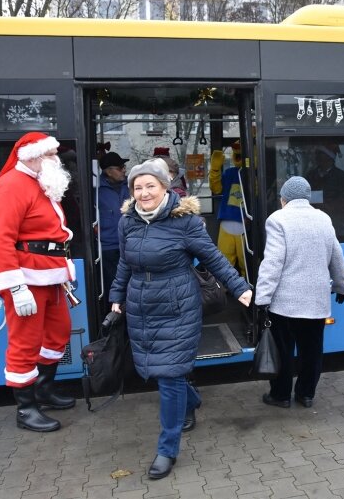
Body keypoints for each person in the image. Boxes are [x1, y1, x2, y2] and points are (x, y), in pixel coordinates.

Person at [108, 159, 252, 480]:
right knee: (159, 372)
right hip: (141, 306)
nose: (144, 193)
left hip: (177, 305)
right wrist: (117, 297)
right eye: (138, 187)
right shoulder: (128, 221)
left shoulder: (184, 221)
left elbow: (214, 257)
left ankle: (167, 449)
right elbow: (124, 264)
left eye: (151, 186)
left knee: (170, 374)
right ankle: (193, 399)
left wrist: (239, 288)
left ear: (165, 187)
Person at [0, 131, 77, 433]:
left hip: (50, 276)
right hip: (26, 278)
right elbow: (0, 240)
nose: (55, 159)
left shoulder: (39, 183)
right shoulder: (10, 186)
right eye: (50, 154)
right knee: (24, 342)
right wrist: (16, 286)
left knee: (58, 333)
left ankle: (43, 390)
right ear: (32, 156)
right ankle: (25, 409)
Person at [255, 176, 344, 409]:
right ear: (308, 197)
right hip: (316, 301)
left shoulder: (278, 219)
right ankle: (306, 394)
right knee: (312, 350)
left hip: (284, 303)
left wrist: (262, 298)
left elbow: (273, 262)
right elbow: (336, 255)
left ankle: (281, 395)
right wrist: (341, 285)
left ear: (283, 199)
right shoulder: (323, 218)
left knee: (284, 350)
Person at [209, 142, 246, 276]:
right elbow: (216, 188)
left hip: (245, 224)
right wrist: (214, 170)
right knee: (225, 260)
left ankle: (247, 285)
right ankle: (224, 287)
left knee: (245, 262)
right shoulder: (229, 173)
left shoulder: (254, 175)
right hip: (227, 222)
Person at [98, 151, 130, 306]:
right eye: (120, 167)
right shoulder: (96, 189)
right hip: (108, 248)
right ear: (108, 171)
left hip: (130, 245)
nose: (124, 170)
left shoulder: (131, 186)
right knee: (112, 287)